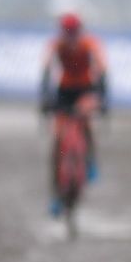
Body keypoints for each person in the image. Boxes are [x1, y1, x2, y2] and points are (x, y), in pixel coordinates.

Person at [40, 12, 108, 215]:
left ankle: (90, 161)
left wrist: (102, 101)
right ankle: (55, 195)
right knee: (57, 141)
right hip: (65, 91)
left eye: (74, 34)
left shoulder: (90, 44)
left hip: (86, 89)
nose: (70, 39)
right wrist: (45, 100)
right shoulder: (56, 44)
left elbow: (103, 71)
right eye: (67, 34)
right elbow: (45, 71)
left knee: (85, 121)